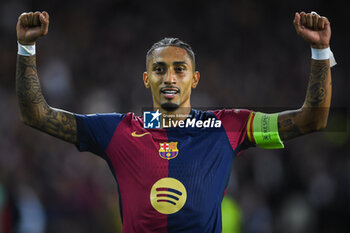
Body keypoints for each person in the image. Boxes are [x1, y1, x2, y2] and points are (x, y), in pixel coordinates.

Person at [15, 10, 335, 233]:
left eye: (179, 69)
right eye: (159, 69)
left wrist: (321, 52)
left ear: (194, 79)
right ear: (146, 79)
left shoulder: (229, 126)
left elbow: (311, 121)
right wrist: (26, 46)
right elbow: (37, 115)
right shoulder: (117, 130)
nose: (169, 77)